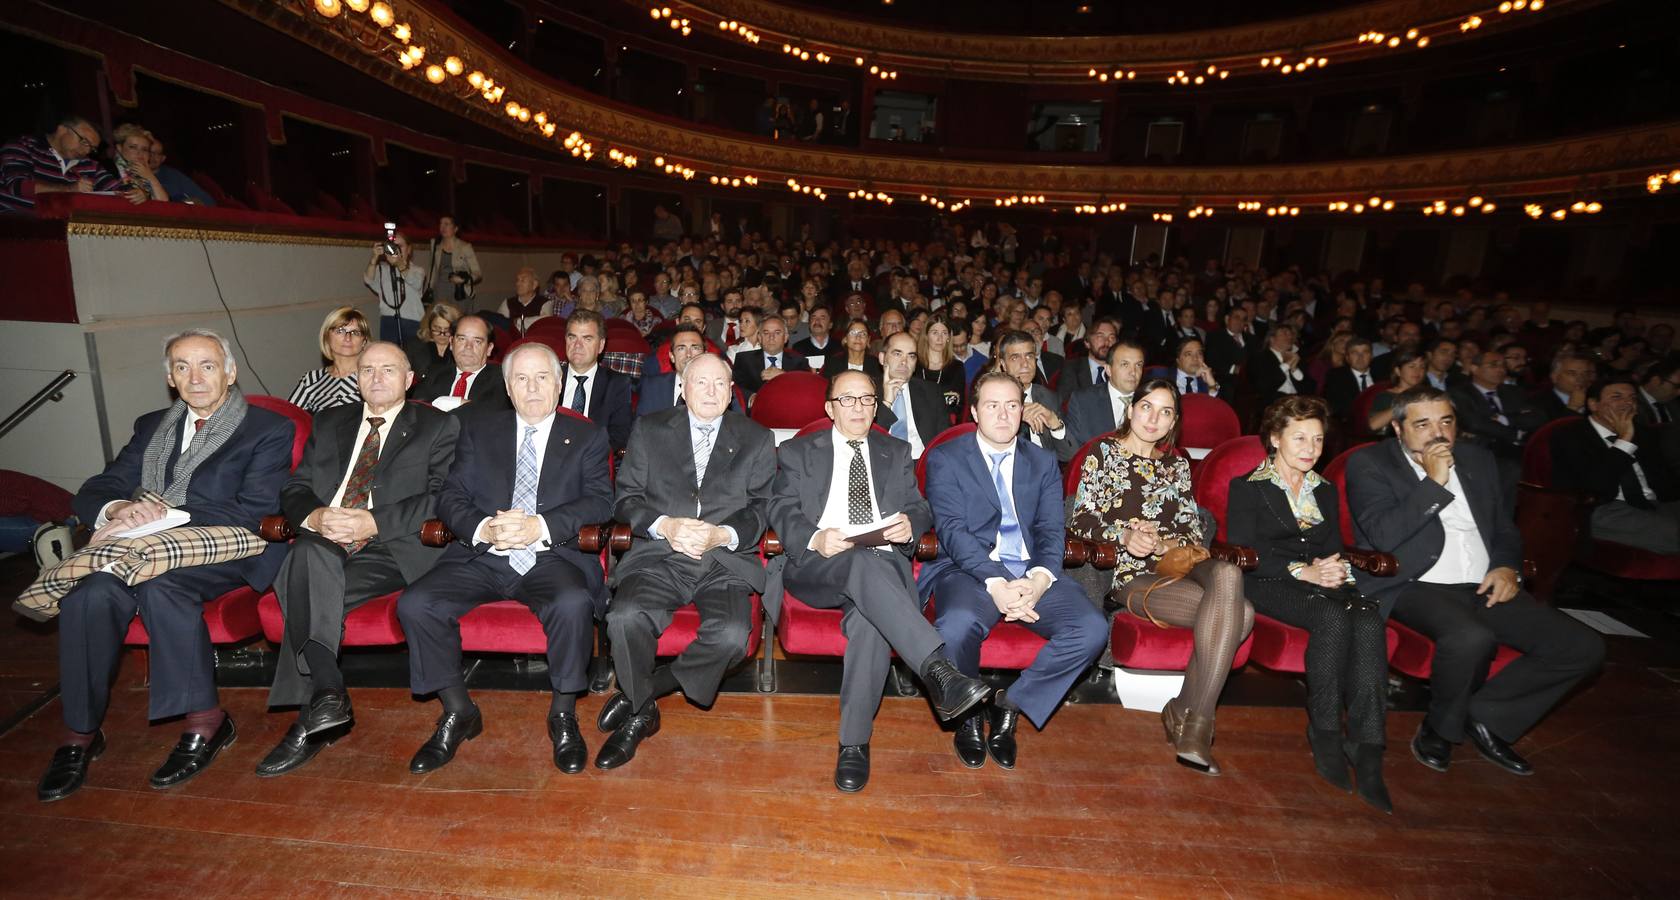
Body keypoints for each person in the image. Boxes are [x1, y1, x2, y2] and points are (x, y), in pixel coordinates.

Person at [38, 330, 293, 801]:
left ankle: (205, 720)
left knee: (163, 586)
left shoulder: (267, 429)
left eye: (208, 365)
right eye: (182, 367)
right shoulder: (152, 425)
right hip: (139, 544)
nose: (195, 378)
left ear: (230, 372)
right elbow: (99, 486)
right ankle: (79, 734)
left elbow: (253, 508)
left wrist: (159, 517)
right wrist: (118, 509)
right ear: (170, 377)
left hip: (227, 546)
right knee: (89, 594)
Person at [1346, 385, 1604, 776]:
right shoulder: (1370, 463)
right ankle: (1439, 728)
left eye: (1446, 421)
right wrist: (1433, 481)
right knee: (1471, 637)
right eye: (1423, 424)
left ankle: (1487, 718)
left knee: (1582, 647)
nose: (1438, 432)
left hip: (1482, 584)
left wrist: (1506, 567)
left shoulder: (1478, 461)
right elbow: (1384, 535)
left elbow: (1504, 529)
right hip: (1414, 583)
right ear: (1398, 429)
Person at [396, 343, 614, 775]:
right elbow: (450, 496)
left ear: (559, 383)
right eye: (521, 379)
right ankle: (458, 710)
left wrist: (541, 526)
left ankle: (564, 713)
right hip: (483, 555)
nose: (532, 388)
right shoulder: (478, 430)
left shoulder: (588, 436)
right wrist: (482, 527)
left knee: (571, 603)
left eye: (542, 378)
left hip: (553, 555)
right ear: (509, 389)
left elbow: (600, 501)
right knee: (416, 603)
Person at [768, 371, 991, 791]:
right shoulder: (799, 451)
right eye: (847, 400)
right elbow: (780, 508)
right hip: (820, 563)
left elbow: (919, 507)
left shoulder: (896, 450)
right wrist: (817, 536)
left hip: (883, 564)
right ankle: (937, 670)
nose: (858, 408)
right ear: (829, 407)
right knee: (859, 561)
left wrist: (911, 523)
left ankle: (854, 744)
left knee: (868, 621)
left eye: (867, 399)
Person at [257, 342, 460, 777]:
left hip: (391, 546)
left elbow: (443, 496)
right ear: (357, 378)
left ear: (409, 379)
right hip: (325, 537)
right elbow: (296, 487)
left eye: (389, 370)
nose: (377, 378)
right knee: (310, 552)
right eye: (367, 370)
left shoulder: (437, 426)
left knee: (303, 585)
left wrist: (373, 522)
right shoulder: (331, 422)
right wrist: (313, 514)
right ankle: (328, 694)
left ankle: (309, 719)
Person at [597, 353, 777, 770]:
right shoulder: (651, 428)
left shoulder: (756, 437)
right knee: (623, 618)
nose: (711, 392)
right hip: (662, 555)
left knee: (733, 635)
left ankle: (644, 691)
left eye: (721, 384)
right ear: (683, 387)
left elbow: (763, 507)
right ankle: (641, 716)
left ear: (732, 391)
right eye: (701, 383)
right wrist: (665, 526)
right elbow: (625, 498)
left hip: (722, 561)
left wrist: (722, 533)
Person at [921, 372, 1108, 771]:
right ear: (973, 411)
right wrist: (998, 583)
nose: (1004, 415)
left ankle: (1012, 705)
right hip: (970, 569)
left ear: (1023, 410)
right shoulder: (946, 457)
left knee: (1092, 629)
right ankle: (968, 715)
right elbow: (952, 531)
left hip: (1030, 569)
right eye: (992, 405)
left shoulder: (1041, 461)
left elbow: (1050, 529)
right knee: (955, 625)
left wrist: (1039, 580)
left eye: (1012, 405)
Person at [1067, 379, 1252, 774]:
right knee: (1244, 615)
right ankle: (1193, 717)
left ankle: (1193, 714)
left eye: (1165, 412)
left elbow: (1191, 528)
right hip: (1131, 575)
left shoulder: (1177, 464)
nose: (1154, 419)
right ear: (1131, 410)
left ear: (1173, 423)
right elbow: (1081, 518)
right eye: (1147, 407)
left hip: (1175, 565)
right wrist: (1126, 535)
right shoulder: (1103, 452)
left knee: (1229, 577)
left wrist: (1165, 543)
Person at [1226, 396, 1392, 811]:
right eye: (1299, 437)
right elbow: (1249, 552)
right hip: (1267, 582)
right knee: (1332, 617)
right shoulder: (1248, 487)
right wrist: (1304, 571)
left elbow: (1332, 547)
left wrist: (1335, 570)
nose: (1309, 448)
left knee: (1370, 619)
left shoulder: (1325, 489)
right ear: (1274, 438)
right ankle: (1325, 730)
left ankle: (1368, 744)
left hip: (1318, 581)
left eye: (1317, 440)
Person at [1549, 377, 1680, 555]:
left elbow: (1667, 481)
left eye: (1633, 398)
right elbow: (1594, 487)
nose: (1627, 403)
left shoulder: (1644, 433)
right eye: (1617, 397)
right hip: (1603, 508)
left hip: (1654, 503)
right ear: (1593, 404)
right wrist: (1624, 440)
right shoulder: (1569, 436)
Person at [1, 114, 140, 212]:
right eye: (84, 141)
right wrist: (70, 190)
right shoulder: (22, 147)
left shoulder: (89, 165)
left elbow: (118, 190)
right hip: (15, 227)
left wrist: (138, 194)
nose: (86, 150)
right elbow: (18, 187)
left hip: (64, 229)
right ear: (62, 130)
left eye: (91, 148)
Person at [1449, 349, 1548, 462]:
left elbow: (1538, 417)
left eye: (1503, 366)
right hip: (1482, 453)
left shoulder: (1514, 392)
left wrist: (1506, 419)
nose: (1501, 369)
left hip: (1517, 454)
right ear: (1474, 368)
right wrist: (1516, 434)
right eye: (1493, 365)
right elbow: (1474, 423)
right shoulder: (1459, 393)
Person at [558, 310, 634, 451]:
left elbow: (620, 435)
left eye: (587, 339)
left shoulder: (617, 384)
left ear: (601, 345)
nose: (577, 345)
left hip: (593, 461)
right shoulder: (550, 379)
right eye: (572, 337)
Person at [1062, 337, 1146, 460]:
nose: (1133, 372)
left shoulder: (1151, 401)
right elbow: (1074, 453)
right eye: (1125, 364)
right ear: (1108, 370)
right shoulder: (1083, 401)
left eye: (1138, 365)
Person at [994, 330, 1074, 456]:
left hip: (1046, 471)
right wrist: (1015, 417)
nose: (1025, 364)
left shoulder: (1050, 398)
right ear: (1003, 364)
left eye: (1029, 356)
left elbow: (1068, 455)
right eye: (1015, 358)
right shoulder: (991, 399)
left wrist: (1054, 423)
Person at [411, 315, 507, 410]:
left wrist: (456, 403)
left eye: (477, 341)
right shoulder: (434, 373)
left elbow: (497, 414)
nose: (468, 347)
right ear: (451, 343)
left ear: (489, 348)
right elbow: (415, 410)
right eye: (462, 339)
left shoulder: (502, 379)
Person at [873, 332, 946, 459]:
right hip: (882, 463)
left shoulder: (931, 391)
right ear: (882, 358)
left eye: (911, 356)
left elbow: (944, 439)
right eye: (897, 354)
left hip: (922, 464)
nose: (904, 362)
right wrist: (887, 402)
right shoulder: (867, 391)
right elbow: (870, 439)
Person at [288, 306, 370, 413]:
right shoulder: (311, 380)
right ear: (327, 337)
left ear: (364, 341)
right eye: (340, 331)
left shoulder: (373, 376)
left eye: (355, 332)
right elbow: (288, 417)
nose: (348, 338)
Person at [363, 229, 426, 343]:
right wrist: (374, 258)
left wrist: (399, 263)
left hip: (412, 321)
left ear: (409, 249)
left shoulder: (417, 270)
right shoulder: (382, 269)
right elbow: (368, 279)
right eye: (392, 246)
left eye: (399, 246)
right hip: (388, 321)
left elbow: (415, 282)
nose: (395, 249)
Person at [731, 314, 809, 399]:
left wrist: (784, 377)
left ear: (786, 337)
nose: (771, 337)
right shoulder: (744, 359)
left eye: (777, 333)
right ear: (760, 338)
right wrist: (752, 398)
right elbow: (735, 387)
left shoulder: (800, 362)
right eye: (766, 333)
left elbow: (805, 389)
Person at [1056, 317, 1120, 407]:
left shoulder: (1120, 370)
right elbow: (1066, 404)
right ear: (1087, 343)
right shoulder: (1072, 368)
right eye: (1100, 336)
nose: (1106, 342)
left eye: (1111, 337)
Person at [915, 313, 966, 421]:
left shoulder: (956, 367)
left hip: (945, 421)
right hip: (917, 420)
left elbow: (957, 405)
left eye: (944, 333)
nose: (940, 338)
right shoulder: (915, 364)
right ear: (926, 336)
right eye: (935, 333)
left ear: (948, 337)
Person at [423, 215, 481, 308]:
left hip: (460, 292)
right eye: (441, 224)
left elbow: (477, 273)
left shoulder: (465, 247)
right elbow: (432, 269)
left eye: (446, 224)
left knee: (459, 321)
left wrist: (463, 280)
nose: (442, 227)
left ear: (455, 228)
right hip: (440, 291)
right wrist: (430, 288)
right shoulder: (435, 245)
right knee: (440, 321)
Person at [1250, 324, 1315, 405]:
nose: (1290, 337)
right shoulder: (1261, 357)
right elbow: (1265, 386)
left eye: (1290, 334)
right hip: (1275, 403)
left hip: (1296, 401)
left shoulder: (1295, 357)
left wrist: (1294, 369)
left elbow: (1309, 388)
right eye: (1285, 333)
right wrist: (1287, 364)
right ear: (1272, 339)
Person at [1366, 349, 1427, 434]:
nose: (1418, 371)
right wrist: (1404, 403)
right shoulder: (1385, 396)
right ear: (1398, 371)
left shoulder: (1427, 394)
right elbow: (1373, 425)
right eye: (1412, 366)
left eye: (1422, 367)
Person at [407, 301, 461, 390]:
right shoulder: (414, 346)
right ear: (429, 326)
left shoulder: (461, 346)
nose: (442, 334)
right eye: (437, 329)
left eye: (447, 330)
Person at [146, 136, 215, 206]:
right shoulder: (135, 176)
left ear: (163, 158)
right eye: (149, 152)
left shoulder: (174, 176)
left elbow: (208, 201)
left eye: (158, 153)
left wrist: (185, 203)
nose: (152, 156)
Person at [108, 124, 167, 202]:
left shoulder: (145, 173)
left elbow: (164, 201)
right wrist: (146, 194)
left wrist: (150, 176)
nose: (139, 153)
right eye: (133, 147)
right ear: (120, 148)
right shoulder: (107, 167)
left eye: (144, 149)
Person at [1323, 337, 1377, 422]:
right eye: (1354, 353)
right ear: (1347, 358)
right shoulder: (1336, 377)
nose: (1360, 357)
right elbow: (1335, 408)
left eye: (1365, 352)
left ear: (1371, 356)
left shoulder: (1382, 375)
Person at [821, 318, 885, 384]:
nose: (858, 337)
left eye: (863, 334)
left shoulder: (877, 365)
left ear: (868, 340)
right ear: (845, 339)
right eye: (853, 333)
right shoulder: (833, 363)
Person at [496, 267, 555, 335]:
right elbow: (500, 325)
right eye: (517, 280)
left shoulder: (545, 303)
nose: (518, 283)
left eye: (523, 280)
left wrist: (518, 321)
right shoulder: (507, 303)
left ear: (534, 285)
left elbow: (545, 321)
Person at [1537, 353, 1593, 421]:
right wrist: (1573, 407)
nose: (1581, 379)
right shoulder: (1539, 404)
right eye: (1572, 373)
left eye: (1585, 374)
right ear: (1554, 377)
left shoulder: (1595, 400)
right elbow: (1551, 430)